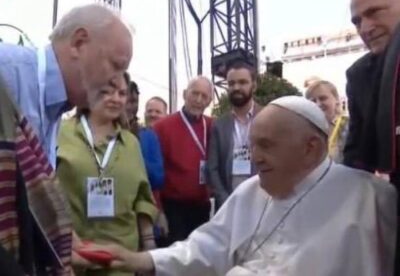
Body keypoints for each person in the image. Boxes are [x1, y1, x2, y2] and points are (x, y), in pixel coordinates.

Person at [83, 96, 397, 276]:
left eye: (266, 145)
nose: (256, 157)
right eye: (252, 145)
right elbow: (207, 246)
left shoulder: (370, 198)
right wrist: (143, 259)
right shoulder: (251, 190)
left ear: (311, 148)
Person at [0, 3, 132, 167]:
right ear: (78, 43)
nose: (118, 83)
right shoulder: (5, 71)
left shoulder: (54, 107)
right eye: (116, 66)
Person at [56, 73, 157, 275]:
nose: (116, 99)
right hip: (70, 257)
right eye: (108, 91)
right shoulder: (61, 133)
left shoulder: (131, 143)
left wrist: (148, 245)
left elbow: (142, 198)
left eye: (122, 93)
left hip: (120, 260)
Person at [345, 0, 400, 273]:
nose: (365, 28)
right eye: (357, 21)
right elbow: (356, 159)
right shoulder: (359, 76)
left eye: (375, 12)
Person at [153, 76, 213, 244]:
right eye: (195, 94)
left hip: (202, 207)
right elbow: (153, 175)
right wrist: (159, 211)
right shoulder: (162, 127)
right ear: (185, 94)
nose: (198, 100)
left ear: (209, 101)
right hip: (173, 209)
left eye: (204, 96)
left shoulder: (212, 126)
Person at [207, 60, 262, 209]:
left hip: (262, 202)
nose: (236, 87)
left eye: (243, 82)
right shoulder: (219, 124)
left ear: (254, 85)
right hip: (227, 204)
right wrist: (225, 201)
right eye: (231, 83)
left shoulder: (268, 118)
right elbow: (212, 168)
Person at [125, 79, 164, 190]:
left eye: (133, 102)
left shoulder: (147, 136)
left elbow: (158, 179)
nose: (129, 107)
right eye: (125, 101)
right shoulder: (102, 132)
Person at [305, 80, 348, 163]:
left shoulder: (348, 127)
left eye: (323, 98)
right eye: (313, 101)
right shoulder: (305, 130)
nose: (318, 104)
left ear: (336, 100)